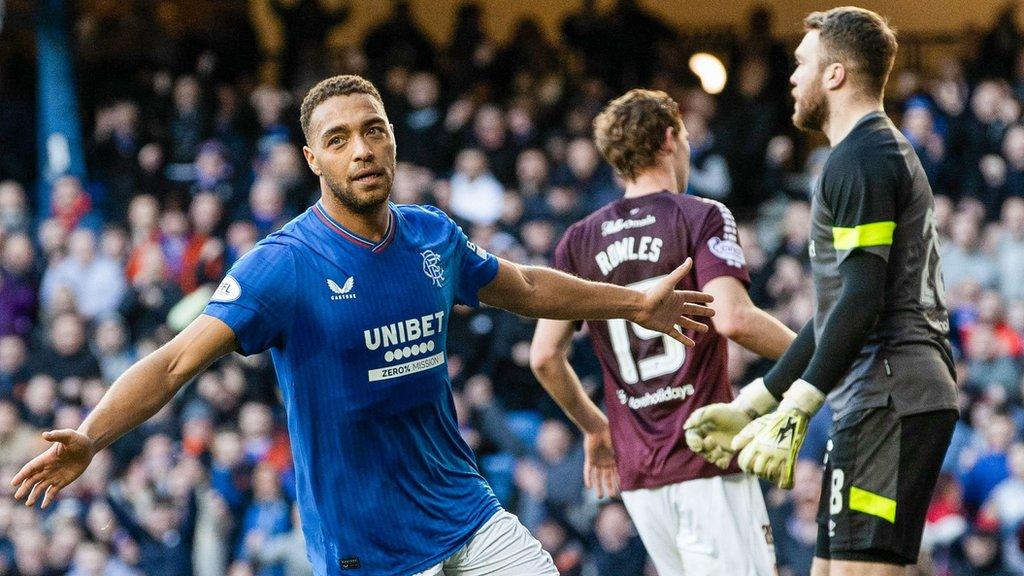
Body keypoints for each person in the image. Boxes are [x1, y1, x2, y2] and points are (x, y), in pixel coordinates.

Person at [9, 75, 716, 576]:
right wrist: (93, 437)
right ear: (314, 160)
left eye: (373, 130)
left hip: (467, 513)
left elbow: (525, 286)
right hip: (365, 550)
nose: (362, 150)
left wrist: (633, 302)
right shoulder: (281, 265)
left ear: (393, 138)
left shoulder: (432, 236)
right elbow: (172, 363)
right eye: (339, 139)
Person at [685, 7, 959, 576]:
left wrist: (797, 408)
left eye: (801, 63)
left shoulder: (862, 155)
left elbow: (863, 300)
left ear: (834, 75)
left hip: (890, 392)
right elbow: (839, 309)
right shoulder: (864, 154)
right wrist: (756, 401)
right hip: (878, 395)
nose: (792, 77)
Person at [530, 88, 796, 575]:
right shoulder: (701, 215)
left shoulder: (577, 240)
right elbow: (733, 318)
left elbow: (545, 356)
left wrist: (594, 426)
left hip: (638, 474)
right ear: (671, 138)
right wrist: (815, 358)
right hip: (705, 458)